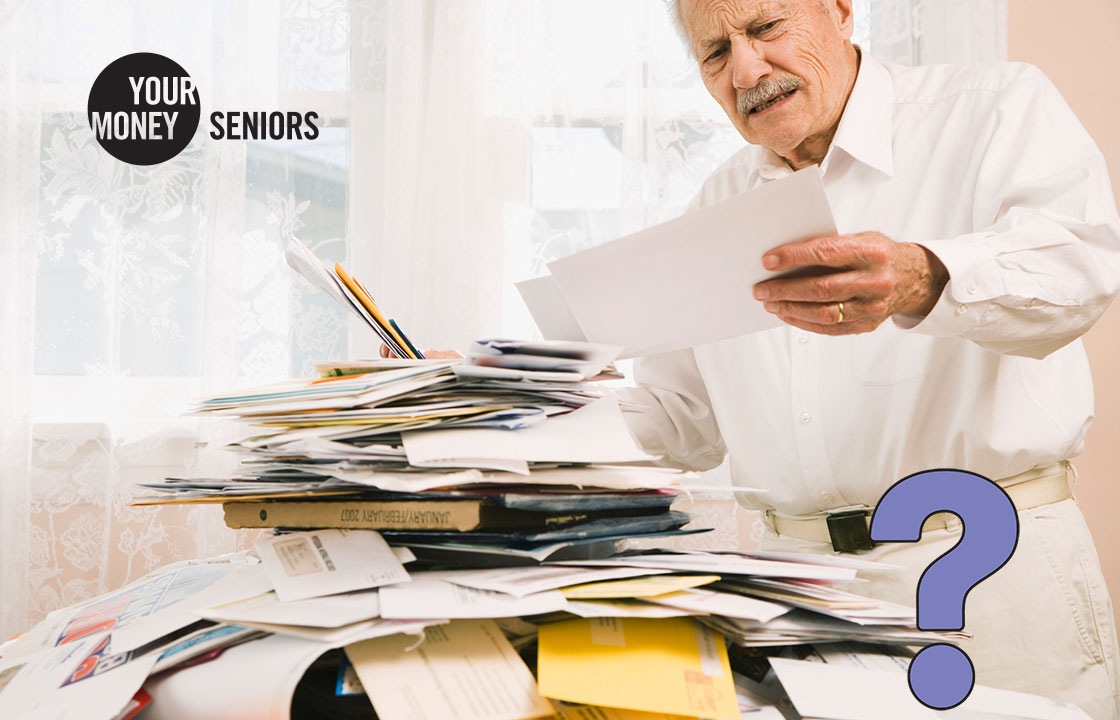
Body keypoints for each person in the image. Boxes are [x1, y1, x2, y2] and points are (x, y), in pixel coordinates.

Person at [613, 0, 1120, 716]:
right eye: (715, 53)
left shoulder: (993, 109)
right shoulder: (713, 207)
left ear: (841, 12)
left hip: (989, 574)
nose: (746, 69)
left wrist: (924, 274)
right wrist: (498, 403)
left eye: (764, 28)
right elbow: (683, 420)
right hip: (803, 603)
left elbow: (1084, 269)